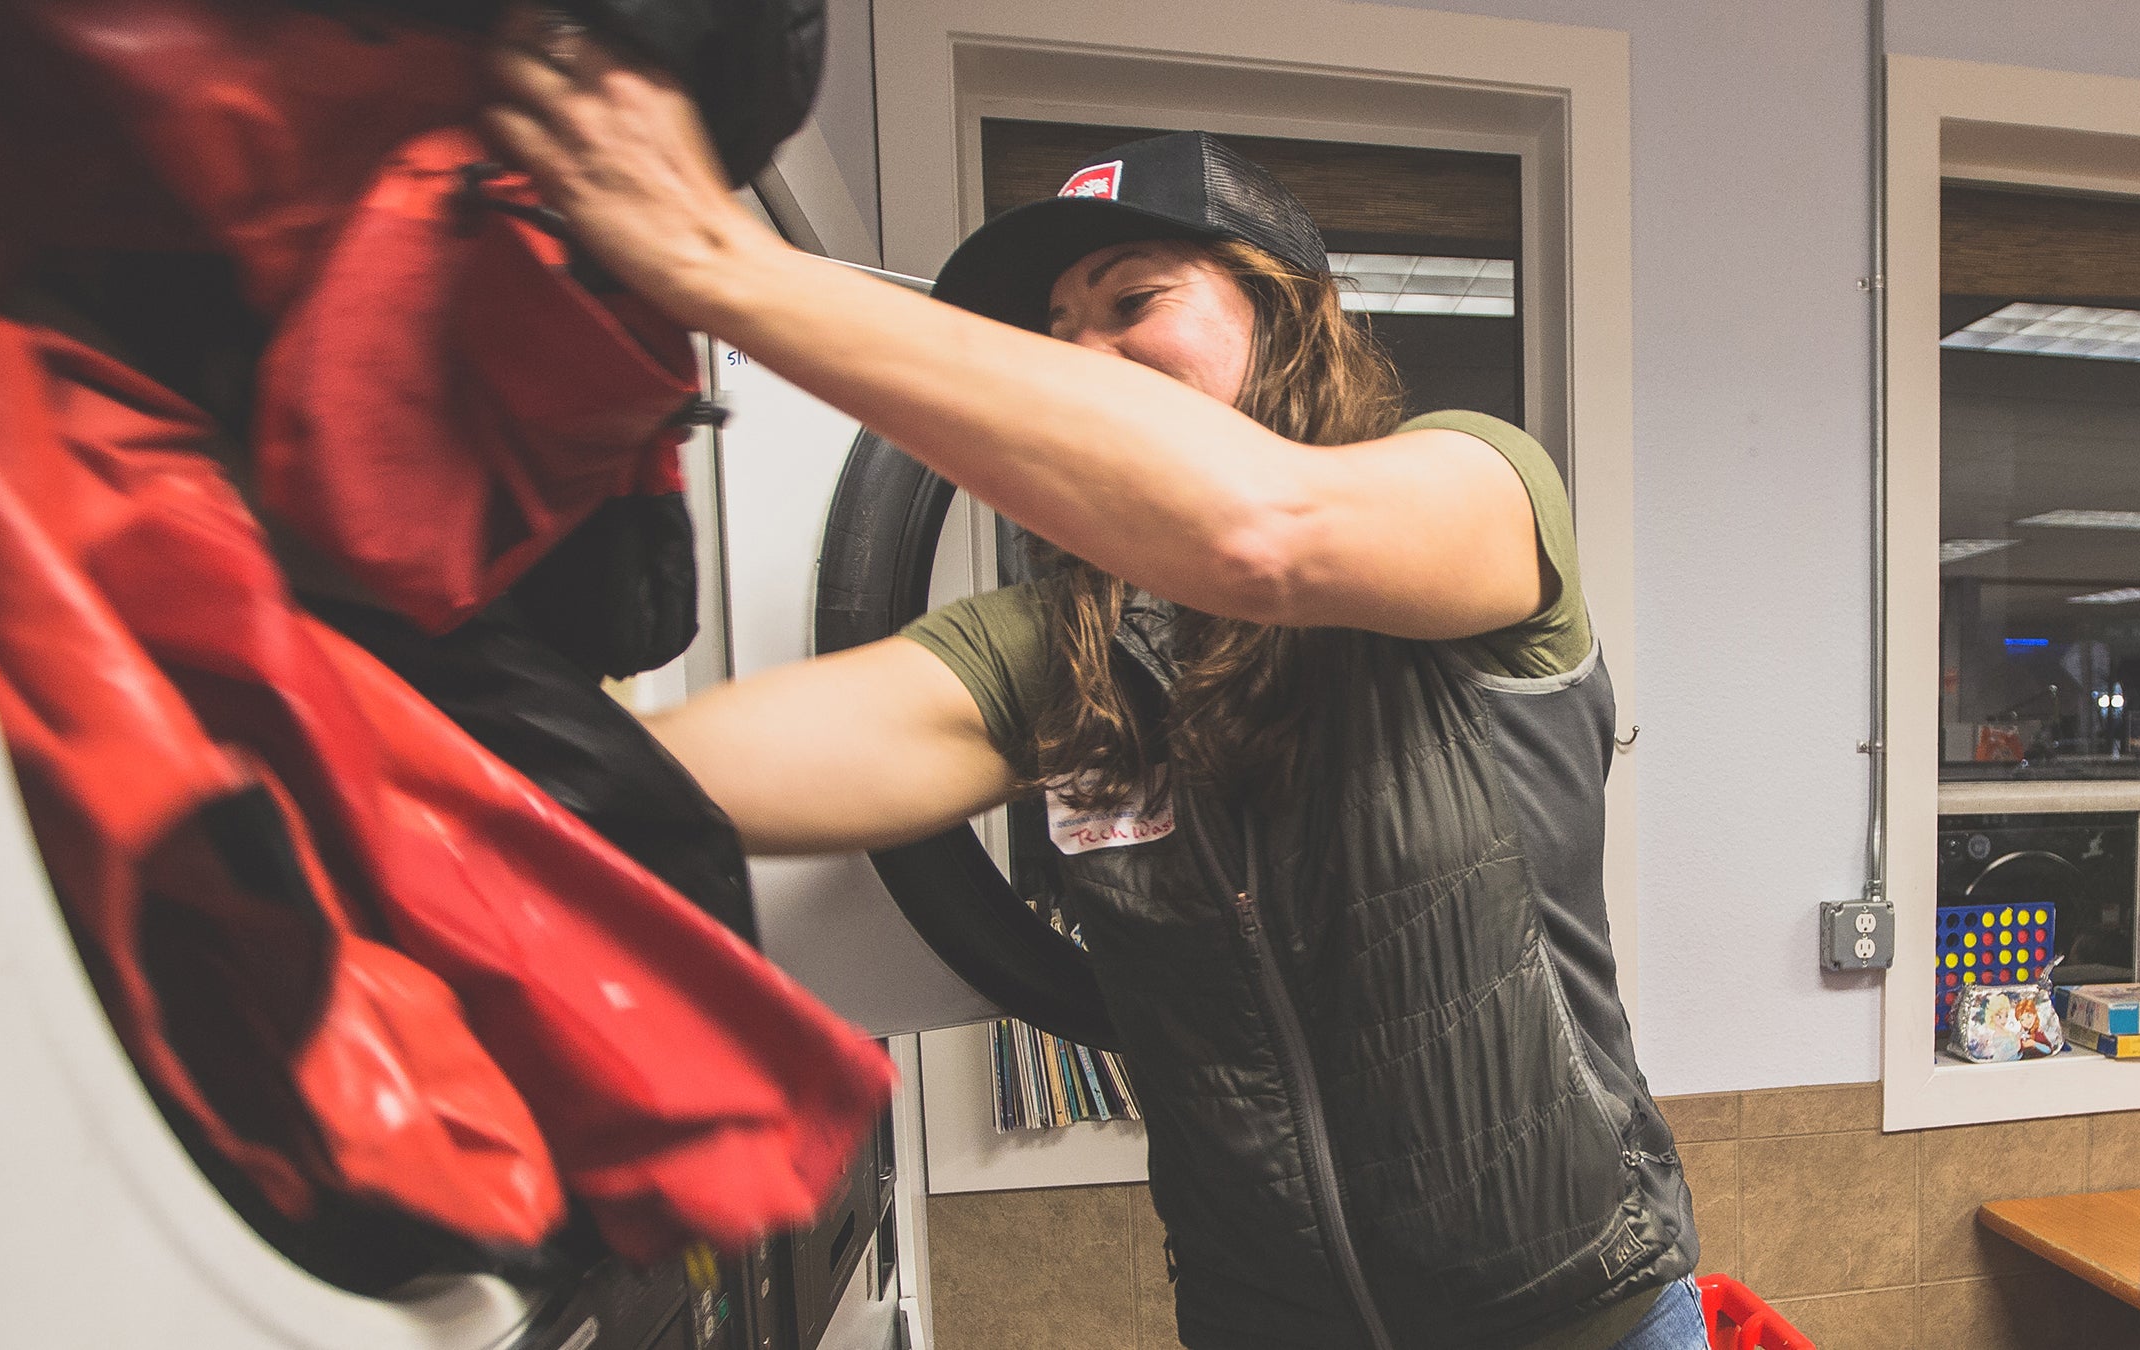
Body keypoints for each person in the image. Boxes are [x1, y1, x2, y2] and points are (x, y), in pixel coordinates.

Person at [483, 11, 1701, 1348]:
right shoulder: (1061, 653)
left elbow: (1263, 533)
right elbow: (696, 773)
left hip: (1581, 1314)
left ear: (1290, 322)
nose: (1085, 355)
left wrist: (714, 263)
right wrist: (438, 720)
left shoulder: (1475, 490)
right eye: (1056, 334)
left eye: (1136, 302)